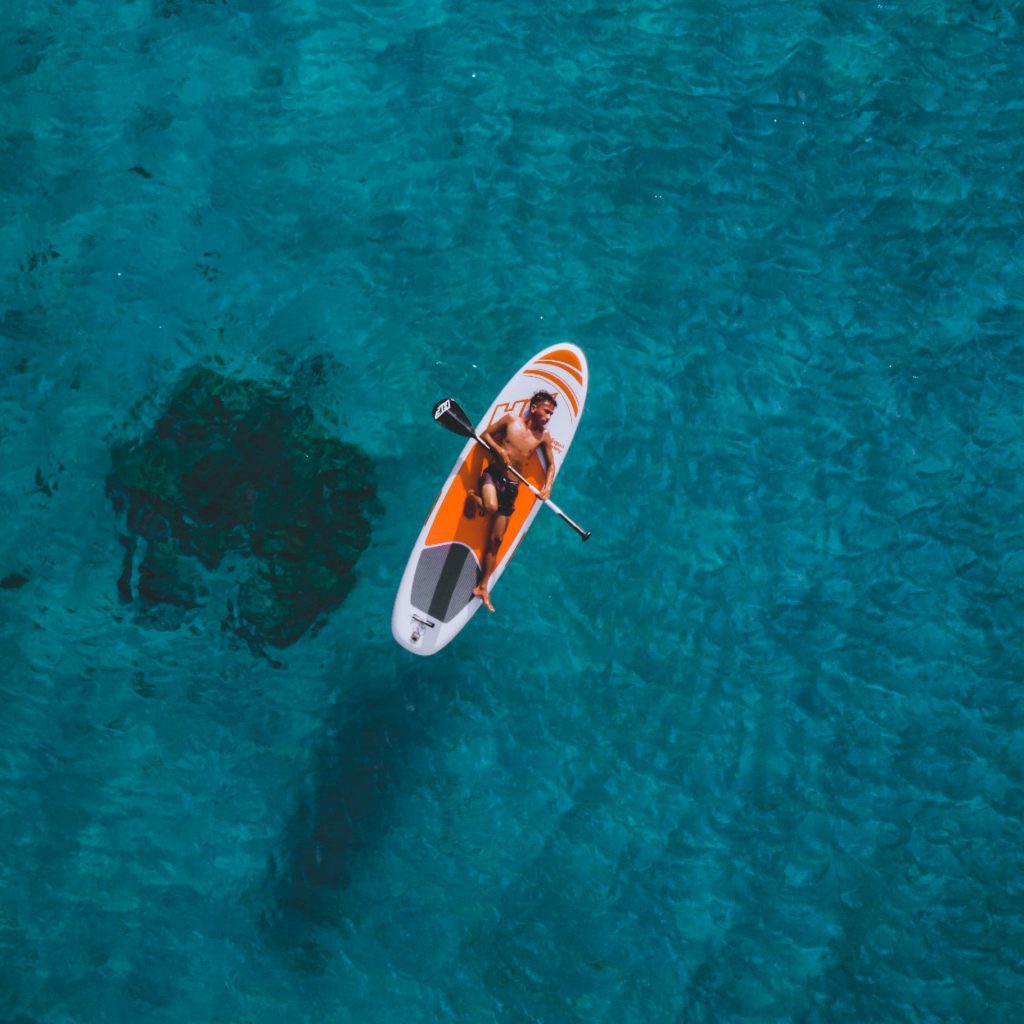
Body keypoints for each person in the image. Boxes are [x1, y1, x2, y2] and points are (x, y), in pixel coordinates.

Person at [464, 391, 557, 612]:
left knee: (496, 540)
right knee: (491, 507)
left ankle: (483, 587)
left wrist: (548, 487)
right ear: (534, 408)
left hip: (512, 488)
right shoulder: (510, 420)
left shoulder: (543, 437)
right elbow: (485, 435)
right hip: (492, 476)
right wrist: (499, 451)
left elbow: (551, 465)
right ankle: (473, 497)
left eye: (551, 414)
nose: (548, 417)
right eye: (546, 411)